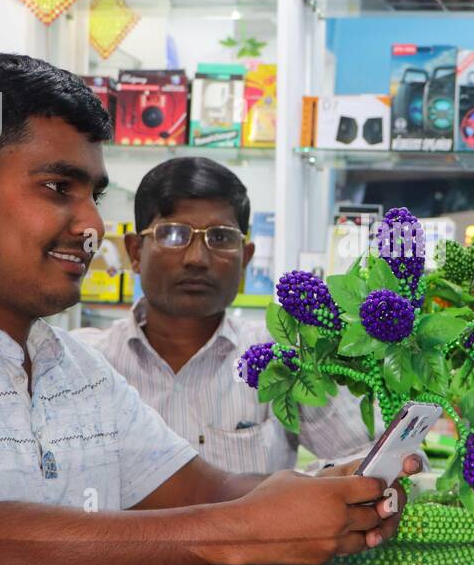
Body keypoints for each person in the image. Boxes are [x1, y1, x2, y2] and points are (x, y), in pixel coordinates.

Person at [0, 52, 413, 565]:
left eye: (93, 195)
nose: (90, 226)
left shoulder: (74, 367)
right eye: (58, 189)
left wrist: (340, 488)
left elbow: (205, 491)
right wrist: (239, 531)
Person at [73, 157, 370, 474]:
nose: (196, 258)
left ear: (245, 259)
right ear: (134, 252)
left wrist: (308, 488)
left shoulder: (283, 358)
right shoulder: (85, 363)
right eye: (173, 234)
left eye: (220, 237)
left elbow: (365, 459)